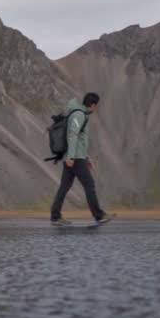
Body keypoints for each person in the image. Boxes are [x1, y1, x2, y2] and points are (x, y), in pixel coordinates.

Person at [51, 92, 112, 226]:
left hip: (74, 157)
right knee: (89, 185)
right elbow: (73, 135)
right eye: (96, 106)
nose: (96, 109)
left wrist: (86, 157)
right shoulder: (79, 115)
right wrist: (72, 157)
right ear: (92, 105)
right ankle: (99, 215)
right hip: (75, 159)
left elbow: (79, 140)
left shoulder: (77, 114)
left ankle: (55, 216)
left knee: (64, 186)